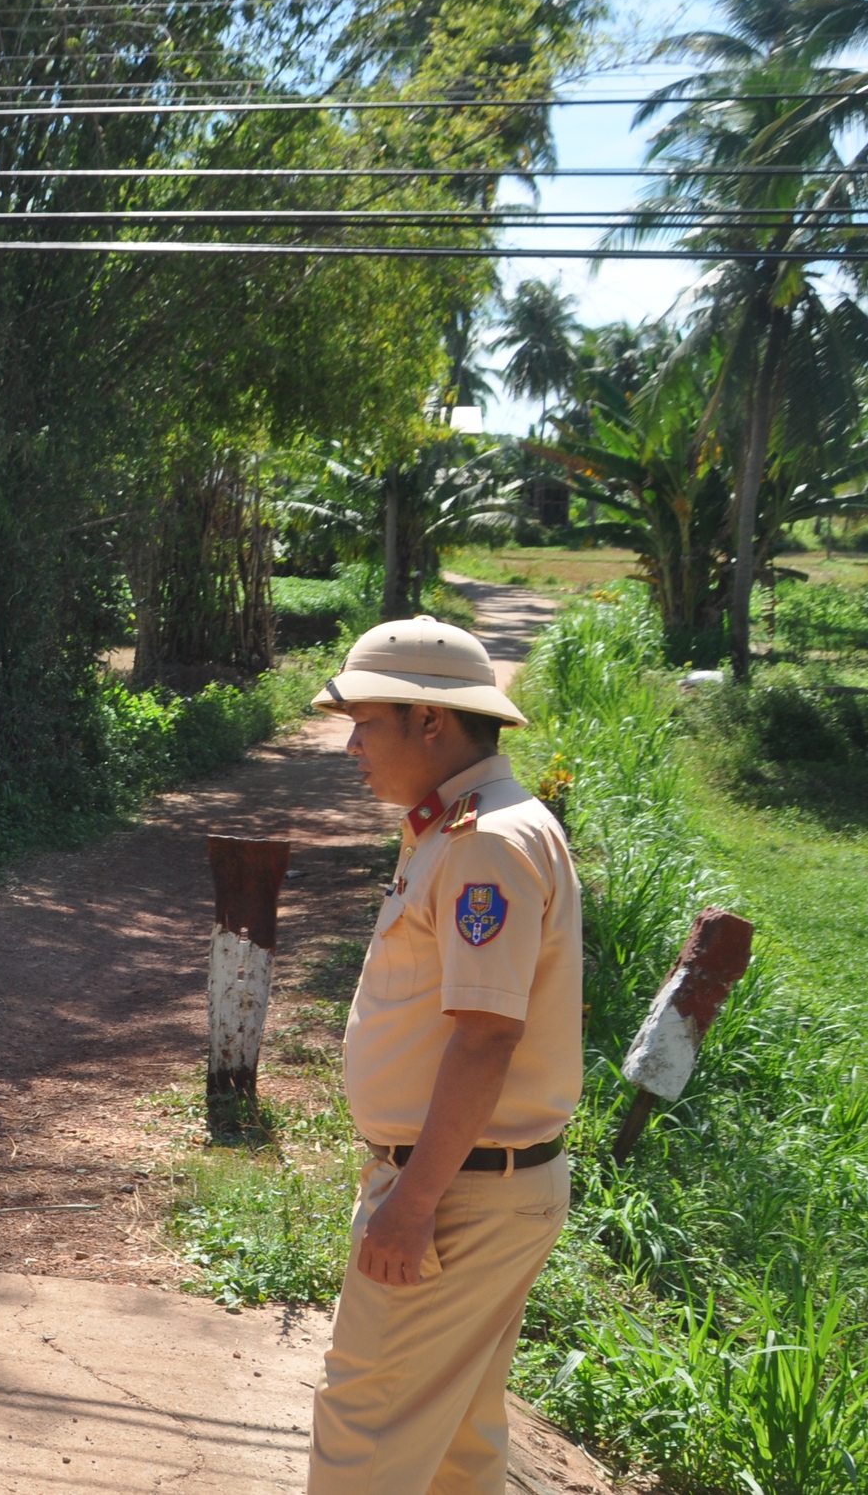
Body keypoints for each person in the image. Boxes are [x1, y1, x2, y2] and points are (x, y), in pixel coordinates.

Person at [306, 616, 582, 1494]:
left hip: (456, 1195)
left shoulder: (485, 844)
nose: (350, 744)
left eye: (366, 721)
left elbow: (486, 1035)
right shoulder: (460, 827)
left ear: (432, 722)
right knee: (455, 1447)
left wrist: (412, 1203)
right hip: (477, 1184)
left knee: (369, 1432)